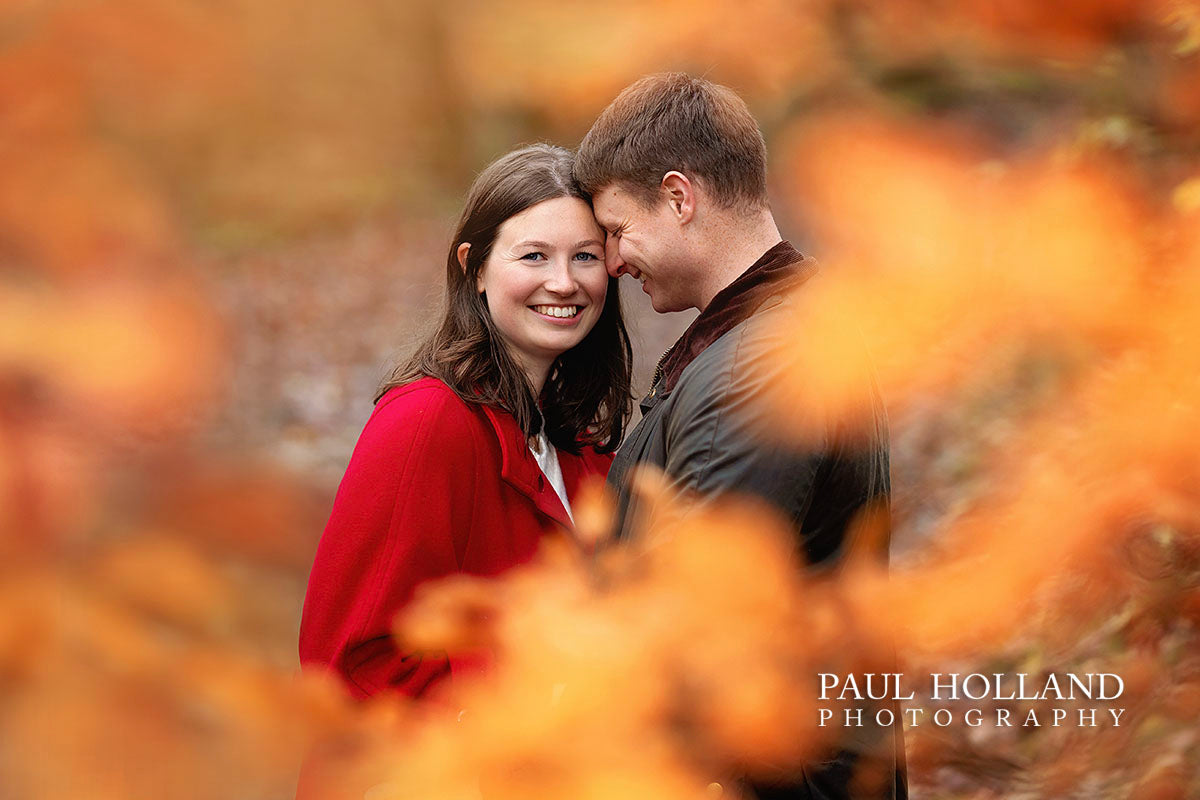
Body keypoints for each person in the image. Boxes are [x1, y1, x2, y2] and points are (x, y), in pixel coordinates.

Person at [573, 74, 907, 800]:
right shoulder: (774, 333)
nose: (613, 261)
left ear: (680, 197)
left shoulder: (762, 365)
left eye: (619, 229)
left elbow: (701, 631)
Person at [299, 143, 632, 700]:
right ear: (473, 269)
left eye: (586, 256)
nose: (564, 282)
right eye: (533, 256)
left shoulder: (580, 443)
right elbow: (350, 663)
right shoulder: (425, 422)